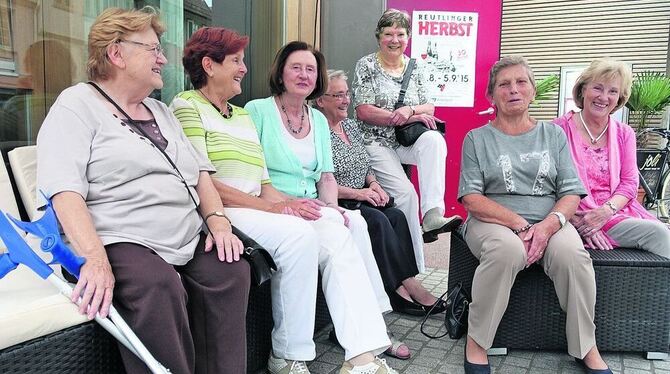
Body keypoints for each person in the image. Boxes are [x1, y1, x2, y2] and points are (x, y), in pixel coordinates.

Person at [36, 8, 249, 374]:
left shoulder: (161, 111)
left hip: (182, 233)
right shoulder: (76, 105)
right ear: (116, 54)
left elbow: (199, 174)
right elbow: (64, 191)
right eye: (153, 49)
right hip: (120, 236)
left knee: (230, 271)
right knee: (157, 286)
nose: (163, 58)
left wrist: (218, 222)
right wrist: (95, 258)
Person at [458, 56, 612, 374]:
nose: (513, 89)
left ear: (532, 92)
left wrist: (547, 226)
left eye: (521, 82)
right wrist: (519, 224)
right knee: (505, 250)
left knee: (572, 254)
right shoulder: (477, 138)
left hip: (549, 219)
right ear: (492, 95)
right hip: (492, 220)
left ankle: (586, 346)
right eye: (504, 84)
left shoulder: (553, 136)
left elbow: (570, 192)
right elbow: (471, 198)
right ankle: (477, 343)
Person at [314, 70, 446, 322]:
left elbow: (366, 164)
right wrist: (361, 193)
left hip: (363, 195)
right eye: (338, 95)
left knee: (396, 215)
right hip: (338, 200)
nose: (346, 100)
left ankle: (407, 283)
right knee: (378, 220)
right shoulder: (318, 131)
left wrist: (374, 184)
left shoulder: (350, 126)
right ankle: (401, 289)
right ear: (320, 100)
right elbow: (320, 179)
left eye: (347, 94)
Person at [554, 58, 670, 258]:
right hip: (572, 216)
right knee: (658, 234)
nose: (604, 97)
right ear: (583, 90)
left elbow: (629, 183)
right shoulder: (557, 129)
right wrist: (578, 222)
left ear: (620, 98)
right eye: (597, 88)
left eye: (613, 91)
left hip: (615, 213)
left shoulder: (624, 133)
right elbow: (548, 183)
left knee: (663, 234)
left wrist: (604, 213)